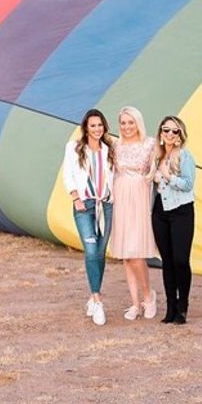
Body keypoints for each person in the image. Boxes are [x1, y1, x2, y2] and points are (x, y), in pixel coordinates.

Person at [63, 108, 115, 325]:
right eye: (93, 125)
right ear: (86, 127)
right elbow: (68, 174)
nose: (97, 129)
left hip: (106, 204)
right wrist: (76, 199)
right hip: (85, 205)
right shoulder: (74, 147)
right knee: (91, 249)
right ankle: (97, 300)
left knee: (101, 252)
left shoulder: (109, 148)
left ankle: (94, 295)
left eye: (100, 125)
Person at [111, 106, 158, 320]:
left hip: (139, 199)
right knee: (126, 256)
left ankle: (149, 296)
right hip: (121, 199)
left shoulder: (150, 144)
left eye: (131, 122)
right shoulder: (114, 145)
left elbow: (158, 168)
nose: (127, 127)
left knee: (136, 253)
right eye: (123, 123)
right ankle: (134, 303)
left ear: (138, 123)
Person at [150, 115, 196, 324]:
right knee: (167, 261)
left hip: (181, 211)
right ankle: (170, 307)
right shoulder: (156, 157)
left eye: (174, 131)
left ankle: (182, 305)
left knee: (180, 260)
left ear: (180, 135)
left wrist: (168, 176)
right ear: (160, 133)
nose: (169, 134)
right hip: (160, 211)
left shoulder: (185, 157)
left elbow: (187, 184)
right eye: (166, 130)